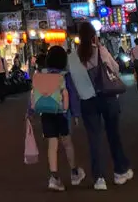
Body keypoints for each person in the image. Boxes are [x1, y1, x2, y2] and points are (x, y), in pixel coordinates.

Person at [67, 21, 132, 190]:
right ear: (93, 35)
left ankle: (99, 179)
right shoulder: (100, 51)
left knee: (94, 139)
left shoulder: (72, 57)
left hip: (87, 102)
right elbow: (116, 69)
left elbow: (72, 80)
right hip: (107, 98)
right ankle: (119, 172)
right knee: (113, 135)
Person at [30, 45, 85, 191]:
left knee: (52, 146)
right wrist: (76, 114)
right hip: (62, 114)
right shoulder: (65, 75)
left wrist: (30, 112)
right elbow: (72, 95)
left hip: (46, 114)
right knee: (67, 143)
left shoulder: (41, 74)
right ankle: (74, 173)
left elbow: (35, 94)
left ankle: (54, 178)